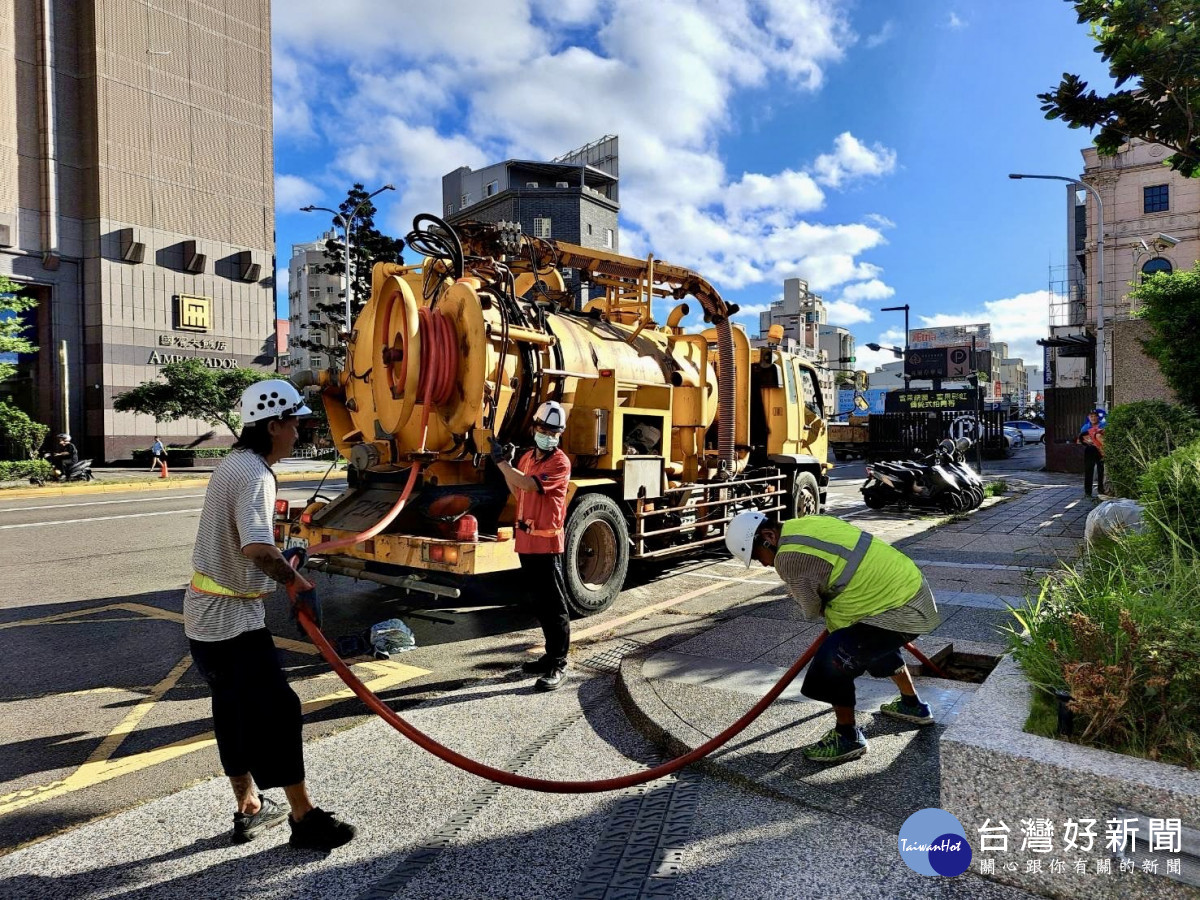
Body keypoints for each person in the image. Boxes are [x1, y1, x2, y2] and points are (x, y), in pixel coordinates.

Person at [185, 379, 355, 850]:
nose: (299, 433)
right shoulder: (256, 474)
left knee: (233, 711)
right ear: (274, 424)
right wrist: (296, 582)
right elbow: (257, 547)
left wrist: (287, 560)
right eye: (295, 424)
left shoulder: (233, 464)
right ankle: (303, 818)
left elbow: (253, 546)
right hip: (232, 620)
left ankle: (250, 805)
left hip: (205, 618)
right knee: (278, 712)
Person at [725, 511, 941, 764]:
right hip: (910, 594)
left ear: (768, 536)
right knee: (869, 646)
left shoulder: (787, 558)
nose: (762, 564)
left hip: (897, 610)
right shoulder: (805, 524)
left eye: (756, 555)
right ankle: (911, 704)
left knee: (833, 661)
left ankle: (847, 736)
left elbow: (810, 609)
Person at [491, 400, 572, 691]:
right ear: (535, 428)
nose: (549, 435)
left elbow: (528, 486)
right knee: (539, 603)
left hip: (547, 546)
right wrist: (508, 466)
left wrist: (501, 462)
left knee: (555, 605)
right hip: (527, 544)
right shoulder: (527, 458)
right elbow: (517, 487)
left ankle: (559, 663)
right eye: (545, 429)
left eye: (555, 432)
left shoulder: (559, 462)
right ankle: (549, 656)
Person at [1077, 408, 1105, 498]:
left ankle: (1101, 490)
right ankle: (1088, 492)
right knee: (1089, 471)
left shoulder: (1103, 425)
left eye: (1095, 416)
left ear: (1098, 417)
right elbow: (1079, 440)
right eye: (1091, 416)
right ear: (1088, 417)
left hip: (1100, 450)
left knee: (1101, 470)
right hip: (1089, 450)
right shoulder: (1085, 427)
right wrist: (1086, 441)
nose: (1093, 418)